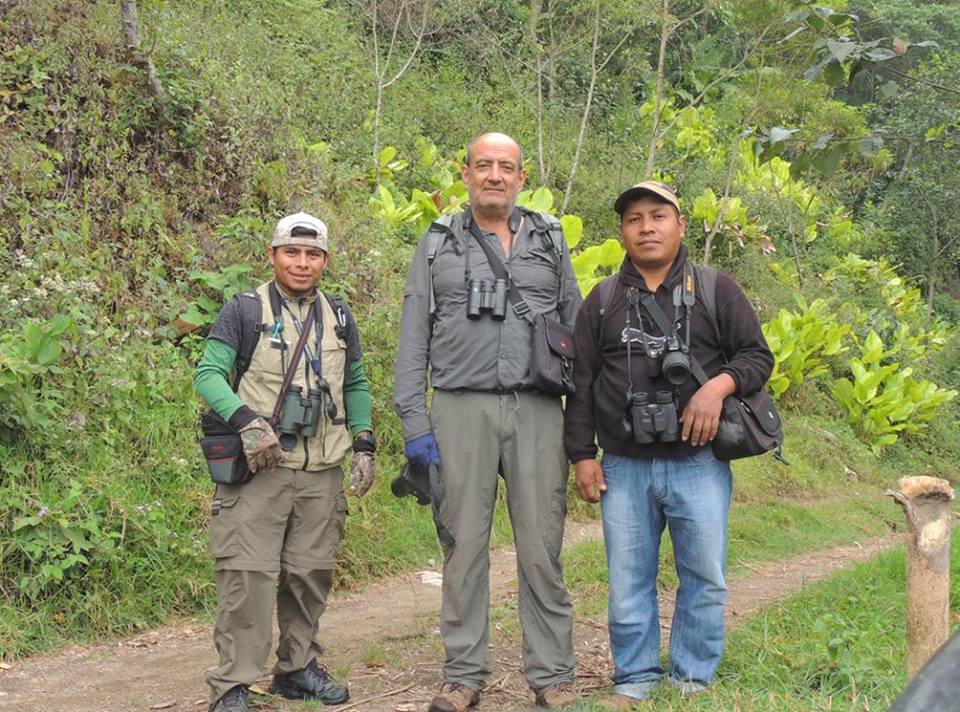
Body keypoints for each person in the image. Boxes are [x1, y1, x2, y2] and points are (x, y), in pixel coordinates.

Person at [563, 182, 774, 708]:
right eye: (634, 219)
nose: (647, 227)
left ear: (680, 225)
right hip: (624, 465)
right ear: (622, 232)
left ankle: (691, 678)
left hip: (698, 463)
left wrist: (716, 387)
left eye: (658, 216)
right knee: (627, 580)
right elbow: (581, 382)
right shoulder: (603, 300)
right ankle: (635, 678)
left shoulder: (716, 289)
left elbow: (757, 356)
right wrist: (582, 455)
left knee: (704, 574)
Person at [394, 132, 582, 712]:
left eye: (506, 166)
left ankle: (552, 675)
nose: (494, 175)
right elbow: (413, 336)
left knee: (542, 546)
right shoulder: (437, 242)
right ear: (466, 174)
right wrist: (415, 424)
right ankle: (463, 674)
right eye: (483, 165)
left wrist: (584, 428)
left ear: (522, 177)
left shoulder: (549, 239)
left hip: (538, 409)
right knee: (464, 547)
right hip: (458, 408)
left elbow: (576, 328)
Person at [195, 212, 376, 712]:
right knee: (247, 577)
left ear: (325, 260)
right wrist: (246, 421)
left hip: (322, 472)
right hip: (261, 469)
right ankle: (232, 684)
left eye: (312, 254)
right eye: (291, 252)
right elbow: (208, 374)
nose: (302, 262)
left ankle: (297, 669)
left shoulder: (339, 316)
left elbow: (356, 383)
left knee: (310, 573)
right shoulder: (244, 310)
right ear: (273, 255)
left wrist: (364, 443)